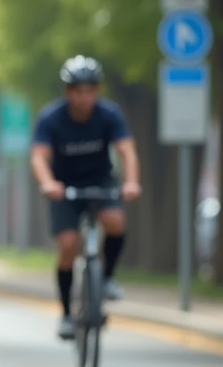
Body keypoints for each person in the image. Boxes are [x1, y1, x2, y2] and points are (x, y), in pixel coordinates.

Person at [30, 55, 142, 341]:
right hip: (63, 187)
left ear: (97, 91)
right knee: (68, 245)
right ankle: (67, 313)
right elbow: (39, 157)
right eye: (78, 91)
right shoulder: (51, 118)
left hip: (100, 181)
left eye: (90, 90)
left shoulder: (109, 115)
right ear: (67, 92)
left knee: (114, 221)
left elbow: (127, 150)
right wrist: (47, 183)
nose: (84, 97)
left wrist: (131, 182)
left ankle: (107, 279)